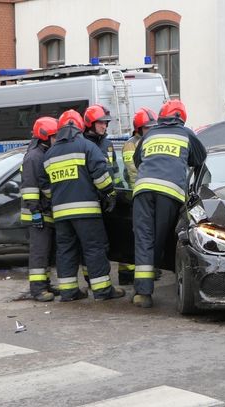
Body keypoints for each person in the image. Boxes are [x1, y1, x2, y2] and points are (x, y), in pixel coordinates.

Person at [42, 109, 125, 302]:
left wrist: (58, 198)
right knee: (94, 249)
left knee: (66, 251)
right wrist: (109, 194)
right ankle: (103, 290)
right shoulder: (87, 147)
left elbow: (45, 187)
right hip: (87, 211)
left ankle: (69, 292)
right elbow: (102, 177)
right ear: (80, 127)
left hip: (61, 215)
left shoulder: (50, 154)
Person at [131, 100, 207, 308]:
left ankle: (142, 294)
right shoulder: (186, 133)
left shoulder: (149, 135)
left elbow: (138, 161)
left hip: (143, 190)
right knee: (162, 238)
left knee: (144, 239)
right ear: (181, 117)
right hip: (170, 192)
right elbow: (200, 159)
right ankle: (168, 281)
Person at [81, 104, 122, 286]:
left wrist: (116, 192)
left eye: (106, 123)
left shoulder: (107, 144)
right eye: (101, 123)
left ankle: (101, 276)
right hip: (89, 199)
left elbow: (114, 170)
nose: (105, 126)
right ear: (90, 124)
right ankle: (91, 278)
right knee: (91, 244)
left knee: (105, 242)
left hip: (107, 198)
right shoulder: (83, 144)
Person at [117, 107, 158, 286]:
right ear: (138, 129)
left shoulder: (152, 141)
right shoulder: (130, 145)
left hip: (149, 195)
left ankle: (148, 268)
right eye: (147, 128)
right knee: (134, 236)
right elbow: (134, 172)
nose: (150, 130)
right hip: (136, 196)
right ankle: (127, 274)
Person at [20, 116, 58, 302]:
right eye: (54, 136)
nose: (56, 140)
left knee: (47, 252)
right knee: (39, 252)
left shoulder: (43, 154)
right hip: (37, 213)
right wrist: (35, 212)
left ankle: (46, 284)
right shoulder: (34, 157)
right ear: (44, 137)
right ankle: (37, 289)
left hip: (44, 211)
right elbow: (29, 188)